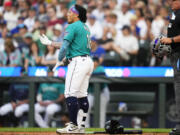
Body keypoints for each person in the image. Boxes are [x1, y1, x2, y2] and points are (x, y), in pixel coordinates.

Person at [39, 4, 94, 133]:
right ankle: (81, 126)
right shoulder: (85, 27)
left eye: (70, 12)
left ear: (76, 14)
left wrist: (59, 60)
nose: (67, 14)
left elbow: (64, 48)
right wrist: (51, 43)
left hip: (77, 62)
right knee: (82, 95)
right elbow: (71, 46)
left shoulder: (72, 26)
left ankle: (74, 125)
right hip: (86, 61)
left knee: (70, 93)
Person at [160, 0, 180, 134]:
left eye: (173, 0)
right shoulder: (174, 13)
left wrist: (171, 40)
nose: (170, 2)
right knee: (178, 87)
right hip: (175, 54)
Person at [86, 57, 110, 128]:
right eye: (93, 61)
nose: (94, 63)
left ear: (98, 62)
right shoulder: (87, 69)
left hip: (102, 92)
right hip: (91, 93)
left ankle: (101, 127)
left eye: (95, 61)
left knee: (101, 111)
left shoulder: (101, 69)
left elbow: (101, 75)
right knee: (86, 107)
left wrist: (90, 75)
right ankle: (86, 126)